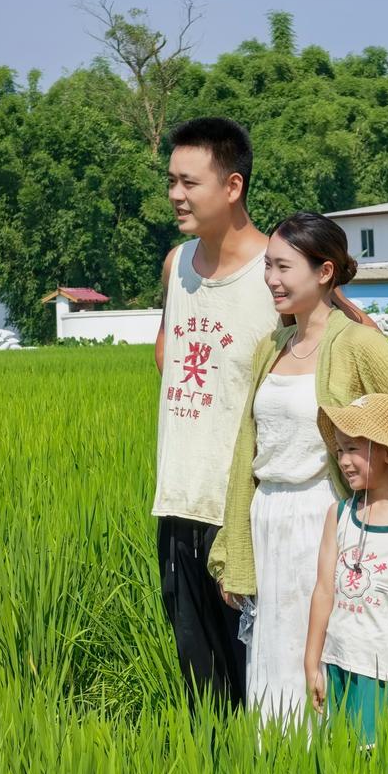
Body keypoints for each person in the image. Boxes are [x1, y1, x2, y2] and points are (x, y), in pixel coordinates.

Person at [208, 211, 388, 725]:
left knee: (318, 659)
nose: (271, 279)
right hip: (266, 519)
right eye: (267, 267)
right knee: (272, 664)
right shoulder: (271, 347)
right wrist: (232, 545)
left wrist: (382, 481)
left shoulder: (356, 343)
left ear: (324, 272)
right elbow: (246, 451)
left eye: (284, 267)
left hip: (323, 519)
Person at [153, 118, 279, 711]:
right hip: (179, 504)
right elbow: (166, 354)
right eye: (171, 180)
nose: (176, 194)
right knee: (204, 696)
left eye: (189, 182)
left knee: (260, 689)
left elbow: (354, 343)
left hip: (249, 515)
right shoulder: (176, 264)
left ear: (232, 186)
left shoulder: (277, 271)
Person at [304, 394, 388, 744]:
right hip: (338, 665)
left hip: (383, 675)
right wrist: (312, 661)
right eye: (339, 451)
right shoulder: (339, 516)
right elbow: (323, 590)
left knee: (381, 768)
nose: (344, 461)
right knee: (340, 762)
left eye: (352, 449)